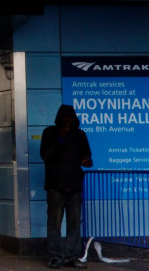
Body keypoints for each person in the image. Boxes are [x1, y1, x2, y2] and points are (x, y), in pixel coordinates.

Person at [40, 104, 93, 269]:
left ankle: (72, 256)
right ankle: (55, 256)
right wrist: (60, 139)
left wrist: (87, 162)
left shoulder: (80, 135)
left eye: (70, 117)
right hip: (55, 186)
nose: (67, 120)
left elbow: (87, 157)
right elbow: (45, 155)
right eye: (64, 117)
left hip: (74, 186)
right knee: (54, 223)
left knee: (74, 223)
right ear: (59, 118)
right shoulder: (50, 133)